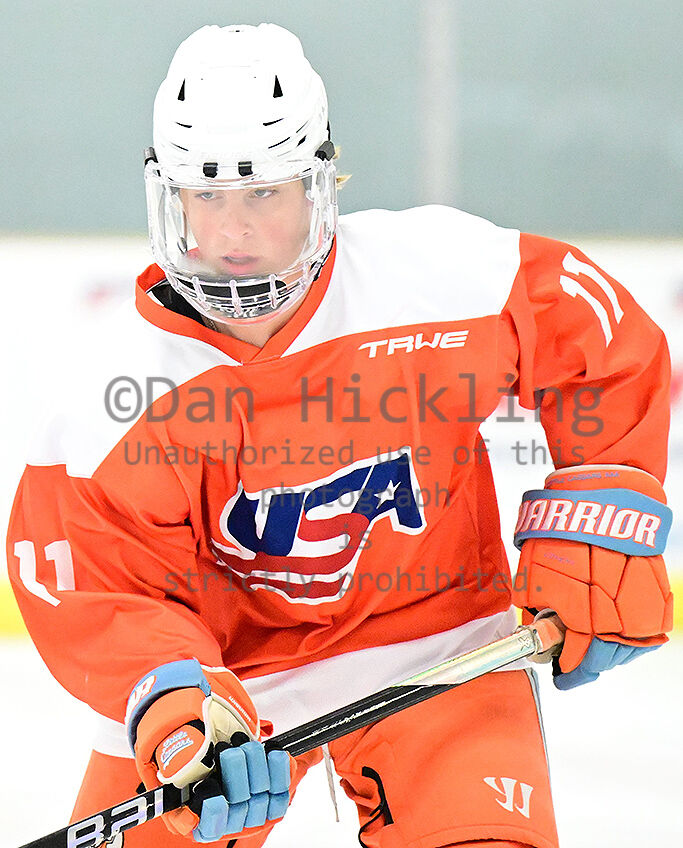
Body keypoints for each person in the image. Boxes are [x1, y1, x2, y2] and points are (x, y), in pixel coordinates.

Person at [7, 22, 674, 848]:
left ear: (320, 185)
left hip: (432, 646)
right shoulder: (112, 392)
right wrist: (178, 714)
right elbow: (93, 583)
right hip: (221, 682)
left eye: (264, 194)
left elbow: (596, 339)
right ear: (167, 196)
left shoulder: (437, 275)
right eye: (205, 197)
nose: (232, 233)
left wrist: (602, 508)